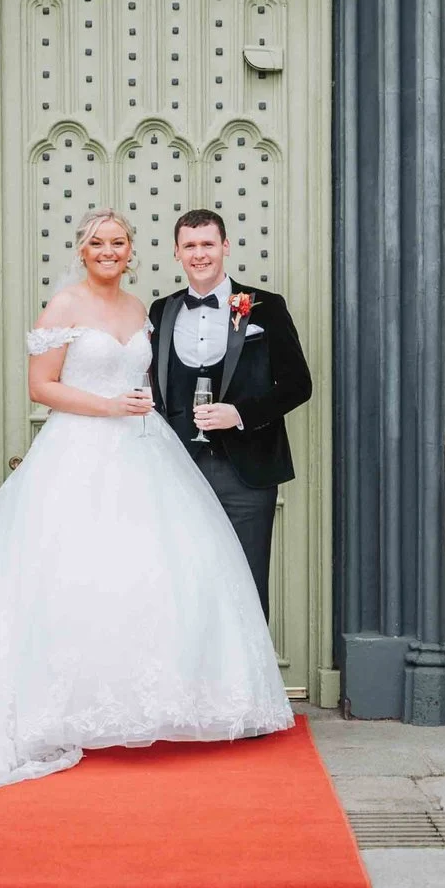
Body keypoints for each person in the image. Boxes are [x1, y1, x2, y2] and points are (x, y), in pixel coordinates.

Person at [0, 208, 292, 808]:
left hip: (146, 452)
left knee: (145, 579)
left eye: (118, 242)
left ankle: (135, 707)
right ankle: (55, 709)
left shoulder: (143, 309)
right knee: (67, 575)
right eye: (97, 242)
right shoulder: (64, 307)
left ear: (133, 252)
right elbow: (40, 386)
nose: (108, 251)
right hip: (80, 450)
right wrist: (107, 409)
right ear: (82, 248)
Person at [146, 208, 314, 613]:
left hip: (247, 471)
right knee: (182, 583)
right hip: (178, 470)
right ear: (177, 253)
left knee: (246, 584)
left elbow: (297, 386)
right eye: (190, 245)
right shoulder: (160, 310)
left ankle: (246, 678)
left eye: (207, 243)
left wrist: (238, 414)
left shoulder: (264, 307)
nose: (199, 254)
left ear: (225, 246)